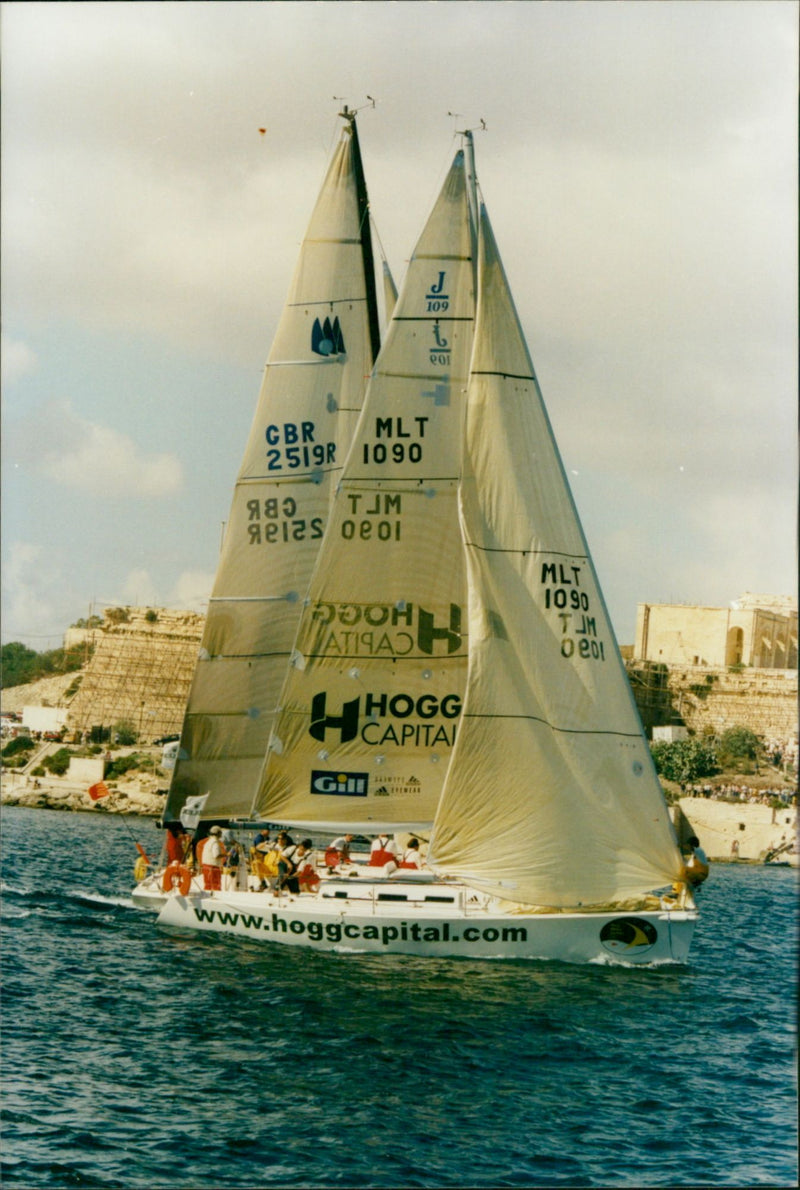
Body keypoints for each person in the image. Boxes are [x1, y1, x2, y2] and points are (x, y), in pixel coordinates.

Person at [201, 825, 226, 891]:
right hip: (213, 868)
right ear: (218, 833)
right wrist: (226, 855)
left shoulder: (208, 842)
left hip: (206, 866)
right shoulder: (215, 843)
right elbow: (216, 855)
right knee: (215, 885)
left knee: (208, 885)